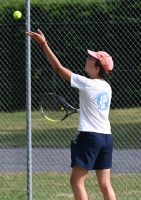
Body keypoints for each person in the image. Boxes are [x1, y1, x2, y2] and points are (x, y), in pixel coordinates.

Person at [25, 29, 116, 200]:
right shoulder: (107, 87)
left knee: (76, 182)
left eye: (91, 58)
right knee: (105, 185)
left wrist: (43, 44)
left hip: (90, 137)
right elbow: (97, 108)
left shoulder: (86, 83)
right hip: (106, 138)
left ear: (97, 68)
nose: (87, 58)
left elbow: (58, 68)